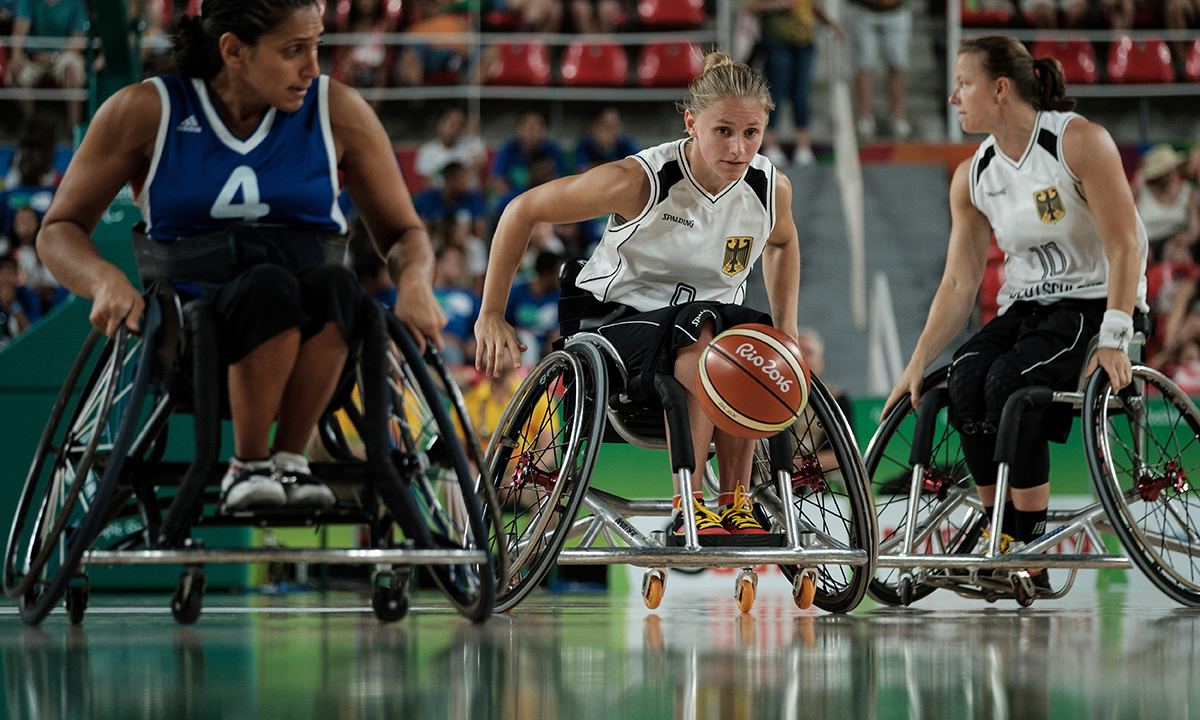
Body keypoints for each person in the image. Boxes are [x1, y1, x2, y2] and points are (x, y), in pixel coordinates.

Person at [35, 0, 446, 512]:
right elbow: (58, 229)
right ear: (234, 51)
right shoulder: (148, 110)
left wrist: (415, 286)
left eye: (316, 47)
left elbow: (406, 232)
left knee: (341, 289)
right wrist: (102, 280)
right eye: (293, 51)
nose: (312, 67)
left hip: (315, 346)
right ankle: (247, 465)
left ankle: (289, 461)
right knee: (268, 285)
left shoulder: (336, 110)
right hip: (190, 341)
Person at [476, 52, 801, 538]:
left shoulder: (768, 187)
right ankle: (688, 502)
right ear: (692, 123)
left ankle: (735, 501)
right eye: (724, 131)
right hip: (616, 326)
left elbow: (783, 242)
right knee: (707, 331)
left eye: (751, 133)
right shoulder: (640, 181)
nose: (739, 147)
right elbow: (521, 210)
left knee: (752, 335)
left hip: (709, 330)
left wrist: (787, 327)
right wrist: (491, 312)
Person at [885, 36, 1147, 594]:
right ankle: (1002, 533)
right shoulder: (973, 174)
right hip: (1027, 308)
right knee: (964, 377)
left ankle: (1027, 544)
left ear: (1000, 89)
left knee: (1009, 380)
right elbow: (959, 282)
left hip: (1093, 302)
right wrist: (917, 361)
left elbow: (1128, 244)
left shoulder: (1078, 142)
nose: (954, 96)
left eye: (964, 83)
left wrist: (1116, 334)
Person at [746, 0, 844, 166]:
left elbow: (813, 5)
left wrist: (830, 24)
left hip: (804, 42)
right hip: (776, 42)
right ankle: (770, 144)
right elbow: (750, 6)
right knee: (774, 93)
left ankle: (803, 145)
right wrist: (779, 5)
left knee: (802, 94)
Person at [7, 0, 91, 129]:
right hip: (34, 57)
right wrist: (16, 57)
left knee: (72, 70)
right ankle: (35, 128)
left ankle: (75, 132)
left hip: (63, 56)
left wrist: (52, 58)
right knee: (14, 75)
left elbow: (78, 42)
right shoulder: (28, 2)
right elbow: (19, 30)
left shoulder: (76, 4)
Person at [845, 0, 911, 140]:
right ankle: (865, 118)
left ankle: (898, 117)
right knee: (864, 64)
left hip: (896, 9)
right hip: (862, 9)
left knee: (897, 63)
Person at [1135, 144, 1199, 263]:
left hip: (1176, 241)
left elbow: (1196, 228)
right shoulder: (1139, 193)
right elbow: (1131, 225)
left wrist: (1189, 238)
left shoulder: (1188, 191)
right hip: (1147, 243)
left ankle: (1178, 280)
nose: (1172, 174)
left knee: (1177, 252)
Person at [415, 107, 486, 189]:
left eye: (460, 125)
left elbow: (476, 170)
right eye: (452, 124)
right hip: (440, 196)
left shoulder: (471, 146)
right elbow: (427, 182)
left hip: (466, 195)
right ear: (441, 124)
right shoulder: (427, 150)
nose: (455, 129)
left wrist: (472, 137)